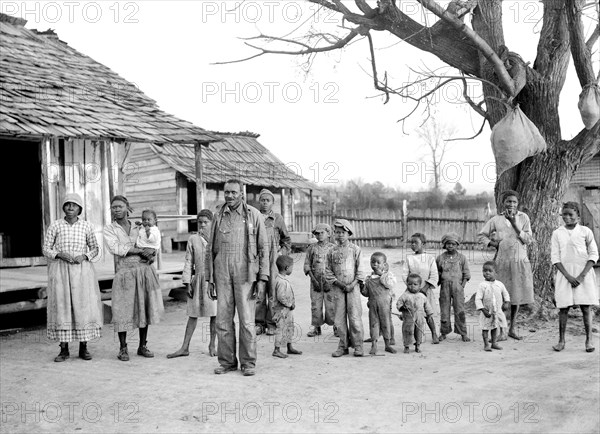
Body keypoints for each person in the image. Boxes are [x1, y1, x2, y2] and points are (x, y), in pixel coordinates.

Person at [206, 180, 269, 377]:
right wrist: (210, 279)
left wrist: (262, 279)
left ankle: (248, 363)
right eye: (227, 193)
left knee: (247, 320)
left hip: (246, 274)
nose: (230, 196)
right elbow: (210, 249)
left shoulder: (253, 215)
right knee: (223, 320)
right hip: (222, 272)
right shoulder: (218, 215)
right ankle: (226, 362)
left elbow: (263, 248)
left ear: (241, 193)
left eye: (233, 192)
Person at [43, 193, 103, 362]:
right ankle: (64, 349)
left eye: (74, 205)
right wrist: (59, 254)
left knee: (82, 306)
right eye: (67, 205)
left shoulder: (86, 226)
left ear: (80, 209)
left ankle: (84, 347)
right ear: (63, 208)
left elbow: (95, 248)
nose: (70, 208)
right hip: (61, 270)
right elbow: (46, 248)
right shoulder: (55, 225)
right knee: (63, 306)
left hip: (81, 271)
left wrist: (84, 256)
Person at [104, 195, 164, 361]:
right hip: (124, 271)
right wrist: (138, 250)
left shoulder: (140, 225)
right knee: (122, 309)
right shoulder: (110, 229)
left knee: (143, 306)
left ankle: (142, 345)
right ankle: (123, 348)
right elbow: (115, 247)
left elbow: (153, 241)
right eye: (114, 207)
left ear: (127, 207)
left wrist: (152, 255)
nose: (117, 209)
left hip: (144, 269)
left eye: (120, 206)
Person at [478, 190, 534, 340]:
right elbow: (481, 235)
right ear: (503, 203)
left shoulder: (523, 218)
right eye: (508, 201)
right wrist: (492, 243)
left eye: (514, 202)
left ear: (518, 203)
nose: (511, 204)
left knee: (516, 297)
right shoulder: (496, 219)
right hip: (502, 262)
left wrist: (515, 225)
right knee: (499, 296)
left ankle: (513, 328)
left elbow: (528, 239)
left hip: (519, 261)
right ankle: (501, 330)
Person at [167, 209, 217, 358]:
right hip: (198, 280)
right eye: (200, 222)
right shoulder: (193, 239)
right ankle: (185, 347)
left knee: (214, 314)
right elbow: (189, 262)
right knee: (192, 314)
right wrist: (187, 282)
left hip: (213, 282)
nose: (202, 225)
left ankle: (212, 345)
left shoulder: (216, 239)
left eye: (205, 222)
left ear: (212, 223)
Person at [551, 202, 599, 353]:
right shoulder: (557, 233)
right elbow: (555, 257)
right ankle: (561, 340)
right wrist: (568, 276)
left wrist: (581, 276)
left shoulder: (585, 231)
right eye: (564, 214)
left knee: (586, 307)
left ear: (578, 216)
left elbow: (593, 254)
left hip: (583, 274)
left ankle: (589, 339)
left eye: (570, 214)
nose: (567, 217)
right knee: (563, 308)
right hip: (565, 274)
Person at [325, 219, 365, 357]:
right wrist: (340, 284)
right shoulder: (331, 251)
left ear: (349, 234)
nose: (339, 235)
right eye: (337, 232)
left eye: (342, 232)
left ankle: (358, 345)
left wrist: (353, 284)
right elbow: (328, 271)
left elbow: (360, 270)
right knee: (339, 318)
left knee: (354, 317)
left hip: (353, 289)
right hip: (338, 289)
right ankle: (343, 345)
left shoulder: (356, 250)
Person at [255, 188, 291, 336]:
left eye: (267, 200)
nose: (265, 203)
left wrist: (281, 254)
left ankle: (272, 323)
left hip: (273, 261)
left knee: (273, 292)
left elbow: (286, 240)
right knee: (259, 292)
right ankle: (258, 323)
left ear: (273, 202)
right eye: (262, 200)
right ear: (259, 201)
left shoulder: (278, 218)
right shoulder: (254, 217)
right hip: (258, 259)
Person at [401, 233, 439, 344]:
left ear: (423, 244)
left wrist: (424, 288)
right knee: (411, 314)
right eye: (411, 243)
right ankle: (412, 337)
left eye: (415, 242)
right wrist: (411, 286)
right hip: (412, 290)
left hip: (426, 291)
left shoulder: (430, 258)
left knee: (428, 313)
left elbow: (434, 275)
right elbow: (404, 274)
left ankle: (434, 334)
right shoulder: (409, 259)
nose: (413, 245)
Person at [436, 232, 471, 342]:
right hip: (444, 288)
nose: (450, 246)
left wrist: (462, 286)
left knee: (459, 310)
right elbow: (437, 272)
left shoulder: (462, 258)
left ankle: (463, 333)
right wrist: (439, 281)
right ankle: (444, 332)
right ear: (445, 245)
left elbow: (466, 274)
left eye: (453, 244)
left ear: (457, 245)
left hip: (458, 288)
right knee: (444, 311)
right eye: (448, 244)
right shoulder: (440, 258)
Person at [360, 252, 397, 355]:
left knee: (386, 324)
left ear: (384, 264)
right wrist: (361, 287)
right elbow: (366, 293)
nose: (375, 264)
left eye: (378, 262)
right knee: (374, 324)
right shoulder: (369, 278)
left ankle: (387, 345)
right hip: (373, 305)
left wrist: (382, 274)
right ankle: (374, 345)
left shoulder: (388, 276)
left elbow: (390, 284)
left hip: (384, 306)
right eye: (373, 262)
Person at [303, 223, 335, 337]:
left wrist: (330, 281)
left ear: (328, 234)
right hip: (315, 282)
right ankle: (317, 328)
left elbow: (336, 268)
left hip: (330, 283)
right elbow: (307, 265)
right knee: (316, 305)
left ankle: (336, 327)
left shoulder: (333, 248)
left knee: (332, 305)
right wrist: (314, 280)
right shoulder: (311, 248)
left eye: (322, 233)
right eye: (317, 233)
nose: (319, 235)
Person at [475, 261, 510, 352]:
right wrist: (482, 309)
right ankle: (486, 344)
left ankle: (494, 343)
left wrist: (506, 302)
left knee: (495, 327)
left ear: (496, 273)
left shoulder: (499, 284)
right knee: (485, 328)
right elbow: (478, 299)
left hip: (497, 311)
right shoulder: (482, 285)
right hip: (487, 312)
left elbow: (505, 293)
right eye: (485, 270)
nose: (487, 272)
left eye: (490, 271)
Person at [272, 255, 302, 358]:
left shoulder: (282, 279)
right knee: (280, 329)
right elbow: (281, 297)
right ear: (286, 268)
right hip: (281, 311)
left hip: (287, 311)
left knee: (289, 327)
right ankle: (276, 349)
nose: (292, 269)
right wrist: (290, 304)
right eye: (291, 267)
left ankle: (289, 347)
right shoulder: (281, 282)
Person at [396, 274, 434, 354]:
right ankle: (406, 346)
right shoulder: (405, 295)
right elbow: (398, 303)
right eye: (409, 284)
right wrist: (402, 308)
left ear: (420, 286)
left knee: (418, 331)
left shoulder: (422, 296)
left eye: (415, 284)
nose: (412, 286)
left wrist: (429, 314)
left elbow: (427, 306)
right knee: (407, 331)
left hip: (419, 317)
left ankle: (418, 345)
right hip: (408, 318)